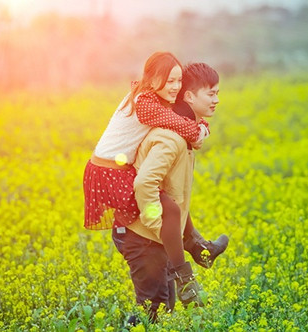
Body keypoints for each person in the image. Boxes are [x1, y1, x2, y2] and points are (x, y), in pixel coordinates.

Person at [112, 62, 229, 323]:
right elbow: (145, 185)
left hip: (152, 234)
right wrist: (157, 228)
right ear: (189, 96)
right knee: (152, 312)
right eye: (211, 94)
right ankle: (194, 254)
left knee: (163, 310)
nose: (217, 100)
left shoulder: (185, 133)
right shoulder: (171, 138)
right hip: (142, 234)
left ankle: (198, 245)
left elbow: (171, 193)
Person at [83, 52, 209, 276]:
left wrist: (201, 127)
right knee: (168, 208)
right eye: (170, 81)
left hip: (115, 167)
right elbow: (180, 124)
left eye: (179, 80)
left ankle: (195, 243)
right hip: (109, 172)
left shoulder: (152, 96)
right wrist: (198, 132)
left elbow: (183, 119)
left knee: (172, 198)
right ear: (151, 80)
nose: (176, 86)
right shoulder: (145, 103)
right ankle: (183, 271)